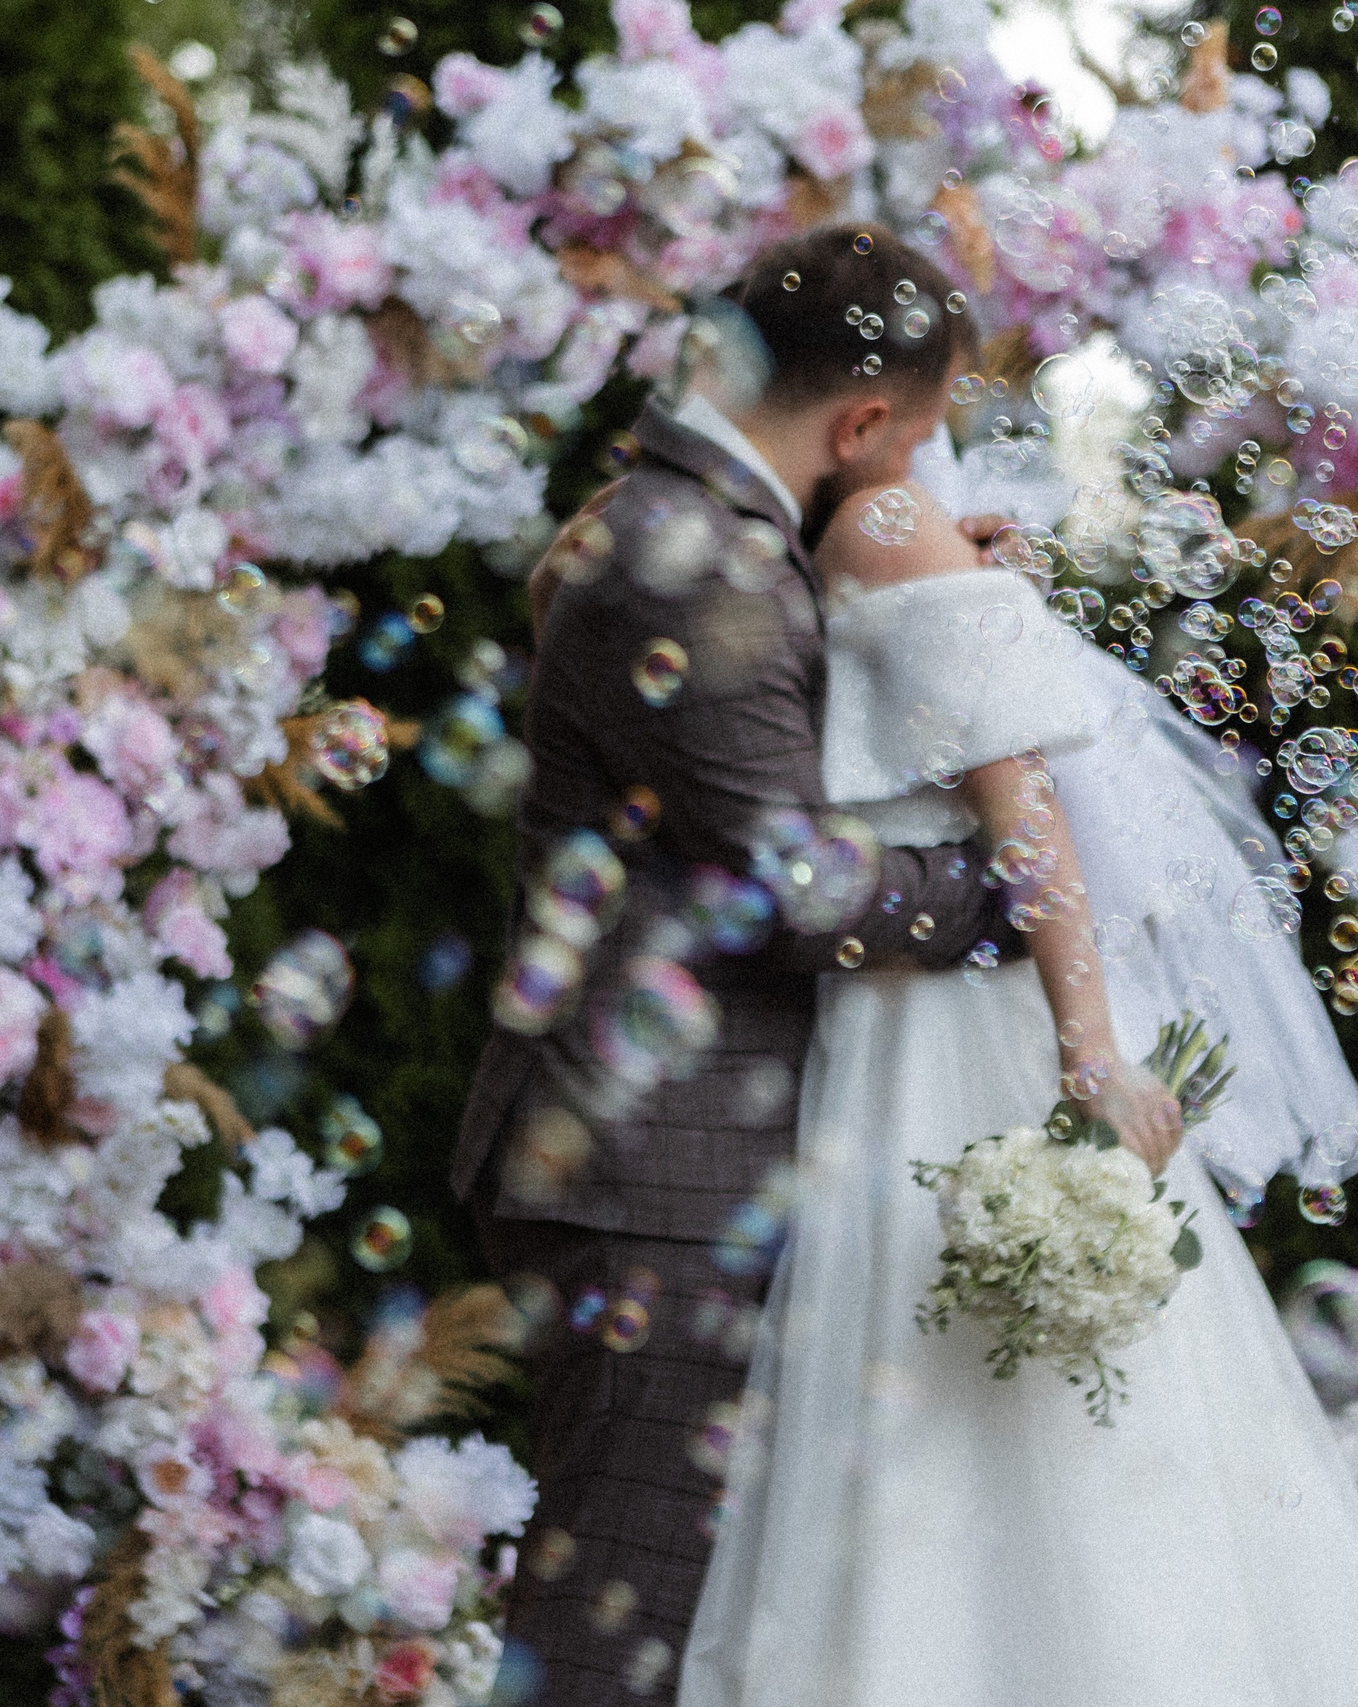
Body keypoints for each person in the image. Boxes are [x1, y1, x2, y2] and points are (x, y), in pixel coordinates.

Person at [673, 473, 1358, 1705]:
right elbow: (1017, 796)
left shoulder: (870, 527)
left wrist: (1086, 1053)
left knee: (958, 1372)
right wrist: (1088, 1046)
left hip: (942, 1010)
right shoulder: (883, 525)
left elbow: (1022, 803)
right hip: (929, 996)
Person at [450, 223, 1076, 1705]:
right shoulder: (693, 559)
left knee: (649, 1622)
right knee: (611, 1639)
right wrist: (1005, 885)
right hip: (646, 1182)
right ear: (860, 422)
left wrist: (907, 605)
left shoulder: (697, 527)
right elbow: (793, 887)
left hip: (654, 1167)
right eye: (916, 444)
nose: (913, 478)